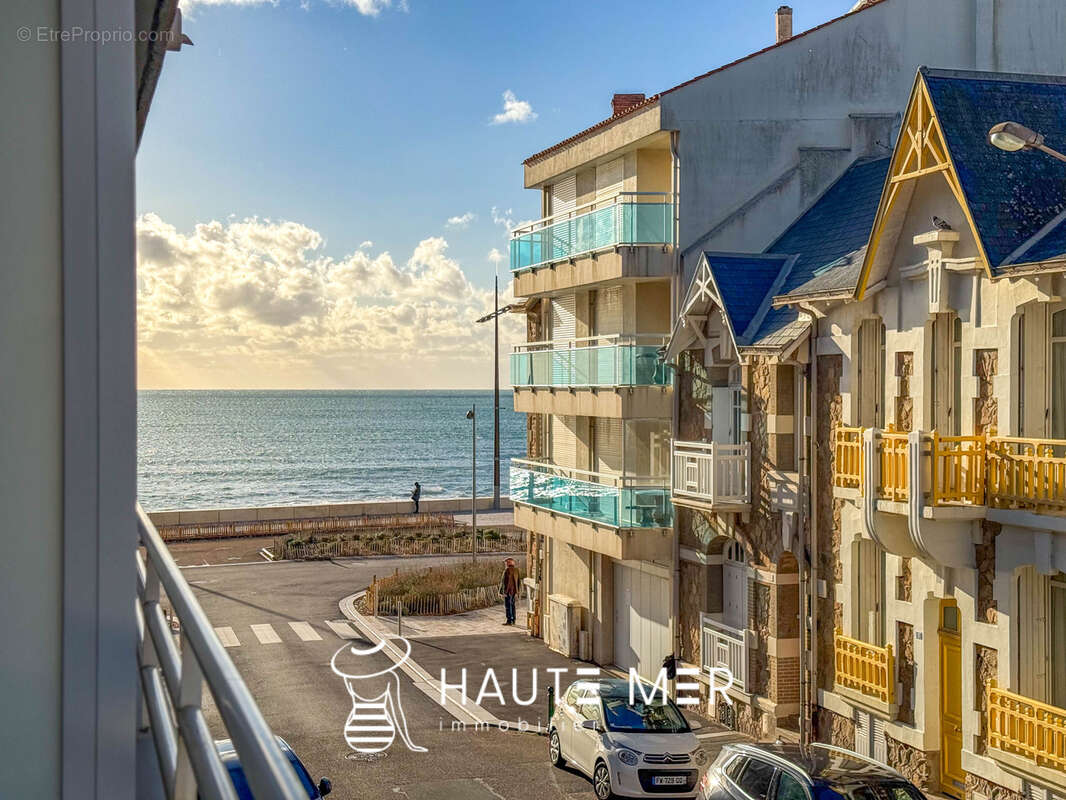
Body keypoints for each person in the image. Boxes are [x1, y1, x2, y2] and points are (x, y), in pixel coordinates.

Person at [499, 557, 520, 626]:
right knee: (513, 606)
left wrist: (504, 592)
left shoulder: (507, 570)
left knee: (508, 606)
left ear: (508, 563)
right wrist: (518, 591)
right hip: (514, 591)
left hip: (508, 591)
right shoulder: (516, 570)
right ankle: (513, 620)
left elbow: (506, 582)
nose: (505, 564)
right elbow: (519, 581)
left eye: (506, 562)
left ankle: (509, 621)